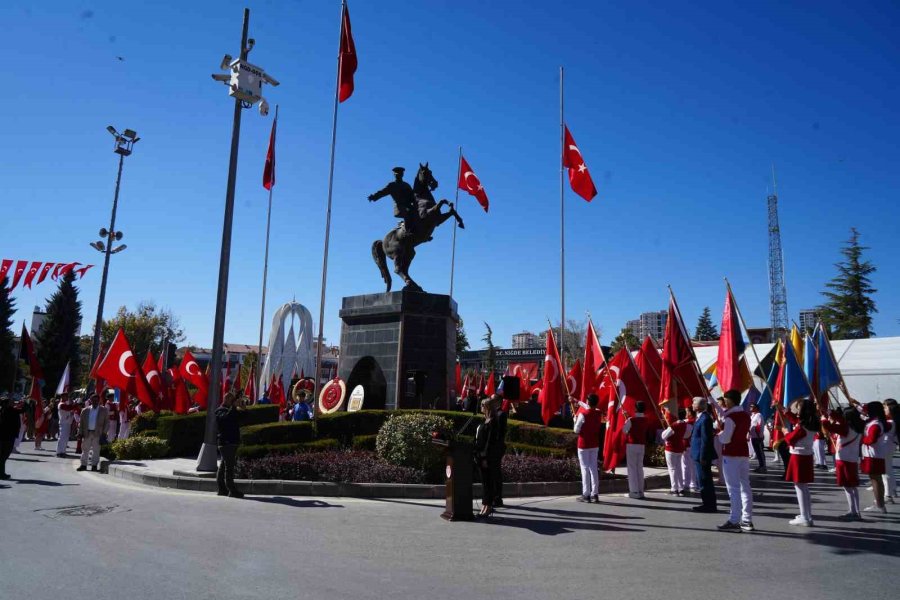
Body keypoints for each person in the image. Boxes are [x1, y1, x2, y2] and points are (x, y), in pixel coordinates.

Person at [716, 390, 754, 532]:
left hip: (731, 454)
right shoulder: (745, 415)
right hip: (743, 453)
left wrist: (719, 433)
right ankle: (747, 519)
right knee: (745, 486)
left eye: (725, 399)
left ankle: (734, 520)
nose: (724, 402)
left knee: (733, 488)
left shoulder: (730, 417)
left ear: (730, 400)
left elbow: (726, 438)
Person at [822, 406, 864, 521]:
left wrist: (823, 419)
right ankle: (856, 510)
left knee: (847, 486)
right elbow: (840, 419)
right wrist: (829, 411)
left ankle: (853, 510)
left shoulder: (846, 428)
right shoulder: (859, 426)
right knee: (853, 486)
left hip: (843, 458)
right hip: (853, 458)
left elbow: (828, 426)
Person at [783, 399, 819, 526]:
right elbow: (796, 421)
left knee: (799, 487)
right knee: (804, 487)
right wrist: (786, 412)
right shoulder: (811, 423)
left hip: (799, 456)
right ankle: (807, 514)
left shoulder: (802, 427)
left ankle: (804, 516)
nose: (797, 410)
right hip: (806, 455)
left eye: (798, 408)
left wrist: (786, 433)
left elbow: (790, 439)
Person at [368, 166, 418, 240]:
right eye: (396, 174)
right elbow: (382, 192)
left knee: (419, 213)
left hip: (408, 206)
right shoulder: (392, 185)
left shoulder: (406, 185)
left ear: (402, 175)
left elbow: (413, 197)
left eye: (400, 174)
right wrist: (374, 197)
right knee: (408, 214)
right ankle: (407, 231)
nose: (398, 175)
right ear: (394, 175)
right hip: (399, 207)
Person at [474, 397, 503, 518]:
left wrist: (485, 457)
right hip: (480, 456)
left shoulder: (493, 422)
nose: (480, 406)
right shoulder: (484, 421)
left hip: (487, 457)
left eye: (482, 405)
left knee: (488, 483)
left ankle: (488, 507)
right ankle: (484, 506)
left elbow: (490, 442)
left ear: (487, 407)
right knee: (485, 483)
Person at [574, 393, 603, 503]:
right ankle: (594, 494)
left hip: (583, 445)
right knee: (593, 468)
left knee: (584, 468)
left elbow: (576, 430)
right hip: (594, 444)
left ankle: (586, 494)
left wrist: (575, 420)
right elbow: (589, 407)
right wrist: (577, 401)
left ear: (588, 401)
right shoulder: (598, 413)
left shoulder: (583, 415)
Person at [861, 401, 890, 513]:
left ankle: (880, 505)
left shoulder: (875, 424)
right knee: (876, 479)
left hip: (873, 454)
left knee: (875, 480)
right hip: (874, 454)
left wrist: (862, 439)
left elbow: (871, 439)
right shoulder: (875, 422)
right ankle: (879, 503)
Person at [690, 397, 718, 513]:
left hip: (701, 456)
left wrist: (703, 456)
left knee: (704, 480)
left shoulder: (705, 419)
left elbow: (706, 440)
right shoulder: (701, 417)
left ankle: (709, 505)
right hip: (697, 454)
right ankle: (706, 503)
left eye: (693, 403)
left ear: (699, 406)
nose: (692, 405)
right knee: (702, 480)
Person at [215, 391, 244, 498]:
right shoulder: (219, 411)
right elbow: (226, 419)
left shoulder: (231, 410)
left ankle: (222, 489)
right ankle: (232, 490)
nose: (233, 402)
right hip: (226, 443)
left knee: (223, 466)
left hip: (232, 442)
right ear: (226, 399)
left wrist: (242, 408)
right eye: (231, 400)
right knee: (229, 468)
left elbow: (242, 418)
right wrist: (233, 407)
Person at [622, 401, 648, 499]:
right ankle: (641, 490)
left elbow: (624, 430)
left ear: (636, 408)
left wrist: (626, 419)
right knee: (639, 468)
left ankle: (634, 491)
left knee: (632, 468)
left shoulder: (631, 419)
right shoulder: (645, 419)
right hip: (642, 445)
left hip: (632, 445)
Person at [77, 394, 108, 472]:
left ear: (99, 401)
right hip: (87, 433)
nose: (95, 402)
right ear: (90, 400)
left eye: (97, 400)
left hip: (98, 433)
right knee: (85, 449)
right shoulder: (85, 410)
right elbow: (81, 423)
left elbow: (107, 423)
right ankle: (83, 465)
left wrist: (104, 433)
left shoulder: (104, 410)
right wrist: (80, 433)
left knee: (96, 450)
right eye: (93, 400)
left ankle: (94, 465)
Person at [661, 408, 688, 496]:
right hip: (679, 448)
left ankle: (674, 489)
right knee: (679, 468)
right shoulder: (685, 424)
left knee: (672, 469)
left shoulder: (674, 425)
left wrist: (667, 429)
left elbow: (664, 436)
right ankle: (681, 488)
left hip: (671, 448)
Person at [1, 395, 25, 480]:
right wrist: (26, 401)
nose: (12, 403)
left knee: (3, 456)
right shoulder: (11, 410)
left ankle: (1, 473)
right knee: (4, 455)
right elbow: (24, 409)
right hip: (8, 436)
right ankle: (1, 474)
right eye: (10, 402)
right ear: (6, 404)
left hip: (4, 435)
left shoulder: (3, 410)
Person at [492, 395, 508, 507]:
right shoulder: (492, 413)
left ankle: (498, 498)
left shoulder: (501, 414)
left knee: (496, 472)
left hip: (497, 447)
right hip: (492, 446)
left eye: (493, 400)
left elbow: (501, 432)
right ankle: (493, 496)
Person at [882, 399, 898, 504]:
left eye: (885, 407)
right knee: (889, 469)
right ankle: (892, 490)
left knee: (885, 471)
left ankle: (888, 495)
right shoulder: (894, 421)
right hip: (890, 445)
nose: (884, 410)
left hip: (886, 446)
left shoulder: (890, 422)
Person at [682, 406, 697, 493]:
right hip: (693, 445)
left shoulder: (689, 422)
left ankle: (687, 483)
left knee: (686, 465)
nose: (686, 413)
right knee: (692, 465)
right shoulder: (696, 420)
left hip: (688, 445)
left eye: (687, 411)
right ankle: (693, 483)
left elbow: (685, 435)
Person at [749, 403, 767, 473]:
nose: (750, 407)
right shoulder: (753, 415)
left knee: (760, 452)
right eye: (750, 406)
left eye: (752, 406)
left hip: (758, 437)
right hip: (753, 437)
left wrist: (760, 436)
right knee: (757, 452)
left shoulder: (759, 415)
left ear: (756, 408)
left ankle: (763, 467)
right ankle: (760, 466)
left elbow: (760, 426)